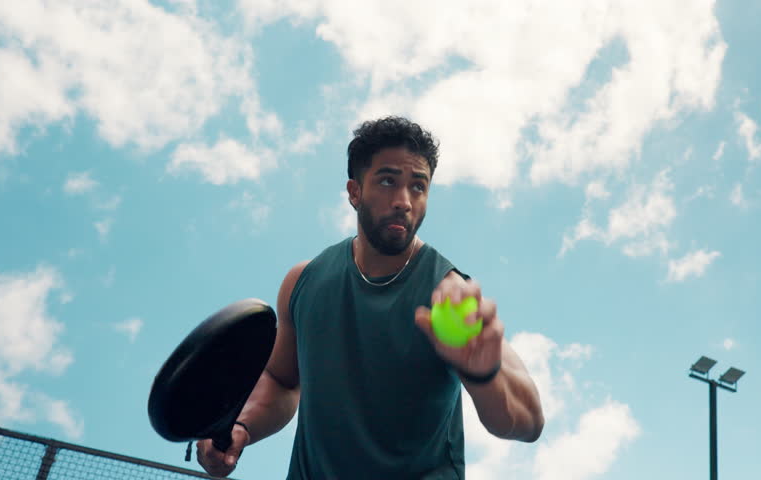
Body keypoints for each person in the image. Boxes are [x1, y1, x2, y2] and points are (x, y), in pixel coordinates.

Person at [197, 116, 544, 479]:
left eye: (418, 186)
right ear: (354, 192)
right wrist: (242, 427)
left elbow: (530, 421)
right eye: (388, 181)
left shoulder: (449, 294)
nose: (404, 201)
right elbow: (284, 382)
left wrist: (483, 375)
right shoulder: (304, 282)